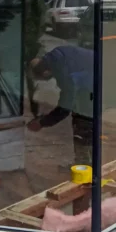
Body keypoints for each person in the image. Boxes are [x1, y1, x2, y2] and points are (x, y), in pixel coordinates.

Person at [26, 45, 94, 213]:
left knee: (82, 121)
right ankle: (82, 160)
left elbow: (65, 107)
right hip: (91, 78)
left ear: (46, 73)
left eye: (45, 79)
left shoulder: (65, 73)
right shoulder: (55, 56)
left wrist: (43, 122)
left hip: (95, 85)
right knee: (80, 118)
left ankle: (85, 167)